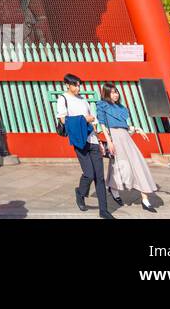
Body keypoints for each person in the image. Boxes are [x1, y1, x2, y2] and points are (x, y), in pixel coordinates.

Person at [55, 75, 112, 219]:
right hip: (80, 140)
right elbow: (63, 120)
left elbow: (92, 122)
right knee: (89, 174)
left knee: (99, 176)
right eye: (75, 85)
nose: (78, 88)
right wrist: (84, 119)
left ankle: (103, 210)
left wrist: (98, 140)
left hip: (92, 139)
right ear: (67, 84)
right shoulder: (63, 99)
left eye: (79, 85)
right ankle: (80, 193)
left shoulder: (83, 100)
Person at [95, 83, 159, 212]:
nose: (116, 94)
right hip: (114, 137)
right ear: (107, 94)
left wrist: (137, 129)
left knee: (138, 165)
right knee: (119, 166)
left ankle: (145, 200)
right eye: (112, 92)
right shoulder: (102, 105)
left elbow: (125, 125)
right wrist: (109, 141)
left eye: (116, 92)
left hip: (126, 138)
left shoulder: (122, 108)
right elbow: (102, 125)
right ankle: (114, 189)